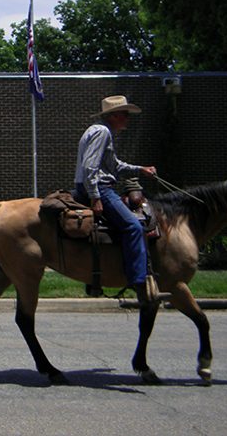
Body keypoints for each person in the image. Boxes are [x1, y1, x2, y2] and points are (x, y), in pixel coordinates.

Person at [72, 95, 158, 305]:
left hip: (91, 185)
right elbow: (90, 167)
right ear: (114, 115)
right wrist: (95, 197)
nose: (128, 118)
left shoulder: (99, 131)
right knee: (133, 227)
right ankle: (139, 282)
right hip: (99, 187)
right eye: (125, 114)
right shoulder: (102, 132)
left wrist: (140, 169)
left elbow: (115, 165)